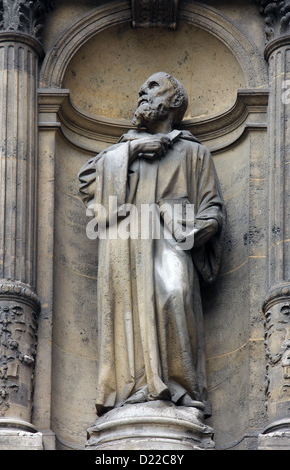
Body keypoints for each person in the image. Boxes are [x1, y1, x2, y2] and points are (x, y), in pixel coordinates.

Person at [78, 72, 225, 417]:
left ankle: (180, 387)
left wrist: (200, 227)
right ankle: (132, 389)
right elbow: (87, 185)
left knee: (175, 294)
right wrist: (130, 151)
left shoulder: (194, 152)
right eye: (142, 88)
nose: (142, 92)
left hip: (172, 237)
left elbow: (212, 206)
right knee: (126, 311)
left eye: (154, 86)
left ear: (174, 101)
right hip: (124, 241)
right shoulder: (121, 150)